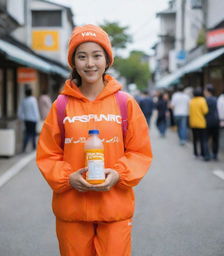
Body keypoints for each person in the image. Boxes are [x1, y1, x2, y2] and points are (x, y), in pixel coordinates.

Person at [36, 24, 152, 256]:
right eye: (82, 56)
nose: (90, 64)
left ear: (107, 60)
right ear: (73, 62)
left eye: (97, 55)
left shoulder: (125, 103)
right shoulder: (61, 106)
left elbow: (140, 152)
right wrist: (68, 178)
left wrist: (120, 174)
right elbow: (47, 154)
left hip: (115, 208)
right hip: (72, 210)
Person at [189, 87, 210, 161]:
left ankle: (195, 153)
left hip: (193, 123)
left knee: (195, 139)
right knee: (202, 139)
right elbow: (205, 111)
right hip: (201, 123)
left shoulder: (191, 101)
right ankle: (202, 154)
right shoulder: (202, 100)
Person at [18, 87, 40, 152]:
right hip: (33, 119)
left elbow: (20, 111)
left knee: (27, 133)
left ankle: (24, 147)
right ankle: (33, 146)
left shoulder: (24, 100)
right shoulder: (33, 100)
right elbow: (35, 110)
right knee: (33, 133)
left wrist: (22, 118)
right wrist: (37, 118)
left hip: (26, 119)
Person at [204, 85, 220, 160]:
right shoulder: (217, 99)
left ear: (208, 91)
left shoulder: (205, 100)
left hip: (207, 121)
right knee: (215, 139)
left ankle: (207, 155)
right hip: (217, 121)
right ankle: (215, 154)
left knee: (206, 139)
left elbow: (204, 112)